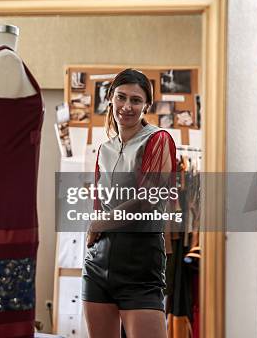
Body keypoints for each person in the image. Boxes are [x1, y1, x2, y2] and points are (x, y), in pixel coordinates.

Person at [82, 69, 176, 338]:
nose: (127, 106)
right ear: (110, 98)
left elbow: (147, 200)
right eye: (121, 97)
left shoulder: (158, 139)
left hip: (140, 263)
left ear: (146, 105)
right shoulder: (105, 148)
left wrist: (98, 224)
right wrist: (94, 228)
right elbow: (99, 203)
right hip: (97, 264)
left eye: (136, 100)